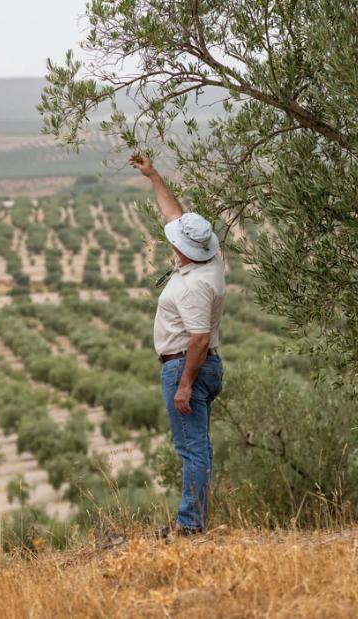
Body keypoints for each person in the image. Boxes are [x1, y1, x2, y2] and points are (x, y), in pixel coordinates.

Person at [130, 154, 226, 539]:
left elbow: (199, 339)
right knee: (196, 445)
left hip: (188, 366)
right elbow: (176, 216)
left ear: (184, 249)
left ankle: (190, 525)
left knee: (192, 449)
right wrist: (153, 175)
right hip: (201, 364)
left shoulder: (194, 286)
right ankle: (193, 518)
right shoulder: (210, 261)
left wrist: (185, 384)